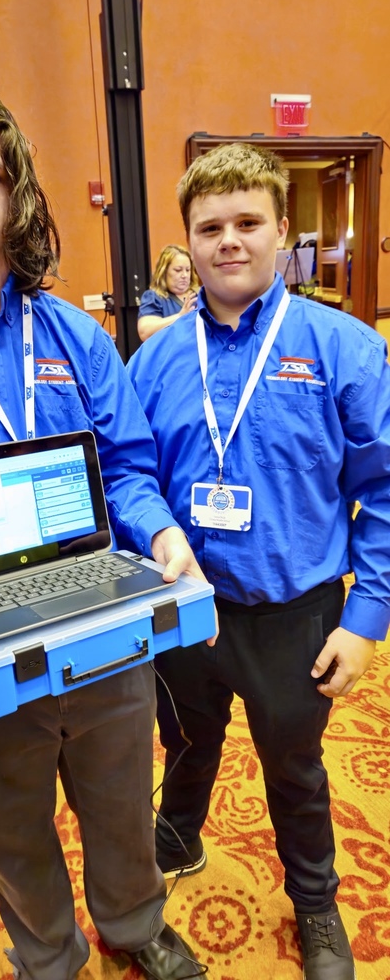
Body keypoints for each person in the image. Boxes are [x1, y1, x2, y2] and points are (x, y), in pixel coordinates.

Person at [0, 84, 206, 980]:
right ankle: (48, 955)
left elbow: (126, 465)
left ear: (19, 196)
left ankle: (132, 924)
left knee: (121, 804)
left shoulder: (73, 334)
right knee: (12, 823)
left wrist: (158, 533)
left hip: (99, 614)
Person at [127, 142, 390, 980]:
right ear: (188, 244)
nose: (228, 240)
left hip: (294, 616)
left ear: (282, 231)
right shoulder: (155, 359)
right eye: (210, 227)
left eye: (247, 222)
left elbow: (383, 490)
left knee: (294, 767)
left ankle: (314, 904)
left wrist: (364, 619)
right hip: (186, 609)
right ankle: (181, 832)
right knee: (188, 740)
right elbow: (131, 474)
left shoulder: (343, 347)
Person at [137, 243, 199, 341]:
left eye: (188, 270)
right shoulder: (154, 298)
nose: (185, 275)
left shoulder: (200, 296)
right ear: (164, 271)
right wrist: (180, 317)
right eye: (178, 270)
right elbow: (145, 332)